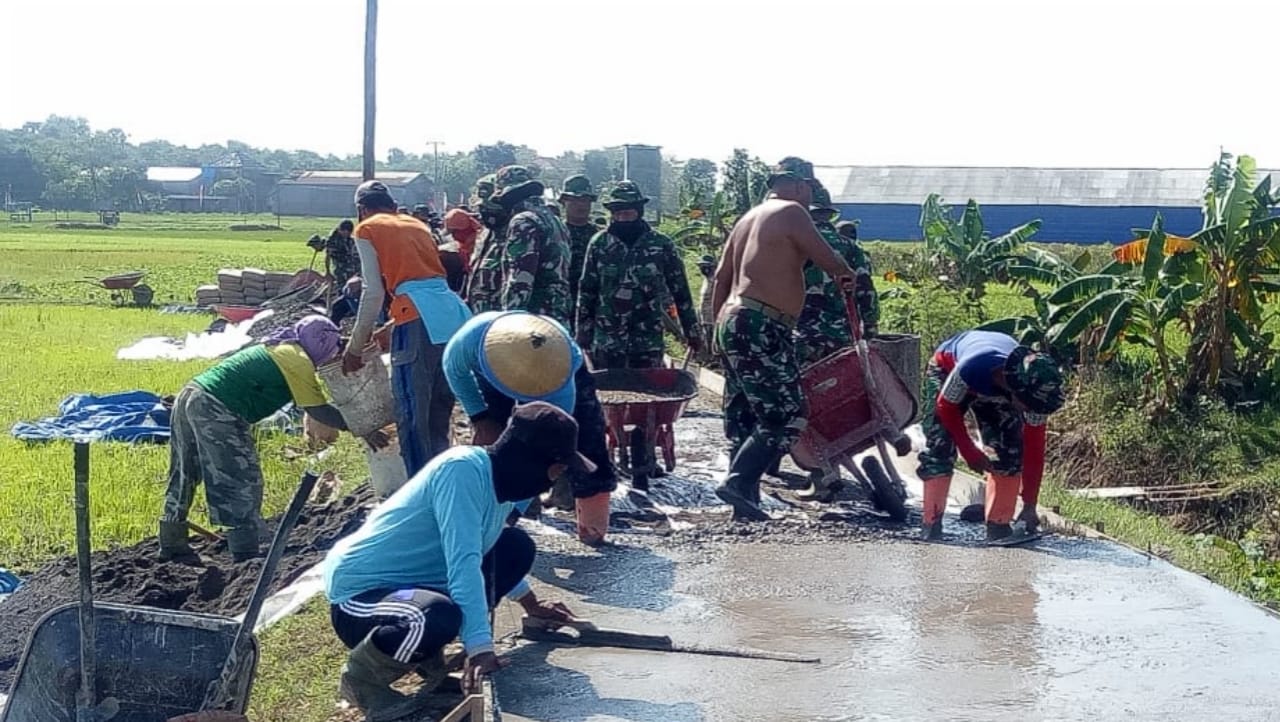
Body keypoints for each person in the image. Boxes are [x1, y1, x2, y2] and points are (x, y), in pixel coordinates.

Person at [323, 402, 587, 720]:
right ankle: (362, 681)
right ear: (528, 459)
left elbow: (485, 552)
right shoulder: (462, 471)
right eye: (555, 470)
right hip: (360, 594)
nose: (549, 484)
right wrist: (480, 648)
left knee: (515, 548)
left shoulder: (501, 483)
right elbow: (463, 564)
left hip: (412, 586)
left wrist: (531, 604)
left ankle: (426, 656)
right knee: (434, 616)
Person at [159, 316, 381, 561]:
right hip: (218, 407)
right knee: (240, 476)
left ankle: (172, 541)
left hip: (192, 393)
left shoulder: (285, 346)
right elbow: (318, 410)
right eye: (332, 348)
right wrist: (363, 428)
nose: (333, 355)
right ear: (320, 345)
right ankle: (245, 550)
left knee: (184, 470)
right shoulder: (298, 361)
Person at [709, 157, 855, 521]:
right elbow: (826, 257)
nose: (810, 196)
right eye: (809, 189)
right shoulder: (791, 212)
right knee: (788, 414)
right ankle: (740, 483)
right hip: (760, 322)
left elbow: (720, 278)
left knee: (745, 413)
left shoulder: (747, 219)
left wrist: (714, 329)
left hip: (732, 320)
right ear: (802, 185)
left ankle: (745, 505)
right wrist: (845, 272)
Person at [443, 311, 617, 543]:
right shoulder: (471, 340)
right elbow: (454, 371)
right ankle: (491, 511)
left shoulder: (561, 381)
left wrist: (512, 514)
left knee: (587, 443)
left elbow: (549, 452)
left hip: (557, 375)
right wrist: (480, 417)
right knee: (500, 446)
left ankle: (592, 529)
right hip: (494, 374)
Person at [342, 181, 473, 477]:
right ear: (390, 204)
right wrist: (392, 324)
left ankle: (421, 493)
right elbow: (425, 280)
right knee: (440, 411)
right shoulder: (417, 224)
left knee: (413, 413)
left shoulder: (367, 228)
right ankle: (443, 483)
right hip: (452, 314)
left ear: (362, 209)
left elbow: (373, 292)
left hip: (417, 317)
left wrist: (354, 348)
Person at [917, 330, 1065, 541]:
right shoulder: (974, 366)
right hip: (946, 371)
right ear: (1016, 391)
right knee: (939, 444)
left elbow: (1034, 451)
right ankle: (931, 524)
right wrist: (969, 452)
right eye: (1028, 405)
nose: (1030, 410)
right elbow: (946, 407)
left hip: (997, 386)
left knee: (1009, 450)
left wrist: (1030, 505)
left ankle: (998, 526)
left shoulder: (1034, 395)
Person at [794, 184, 879, 366]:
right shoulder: (851, 247)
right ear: (830, 214)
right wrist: (870, 327)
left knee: (804, 387)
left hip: (802, 332)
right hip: (841, 334)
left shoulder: (793, 245)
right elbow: (866, 290)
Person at [489, 165, 574, 326]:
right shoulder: (555, 221)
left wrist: (509, 321)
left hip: (533, 322)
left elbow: (521, 279)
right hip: (558, 317)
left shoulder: (523, 221)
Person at [559, 175, 599, 327]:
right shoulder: (555, 234)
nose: (581, 205)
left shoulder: (600, 237)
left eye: (585, 200)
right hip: (562, 304)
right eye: (575, 200)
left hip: (592, 306)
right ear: (564, 202)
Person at [695, 254, 717, 362]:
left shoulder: (717, 280)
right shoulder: (706, 280)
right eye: (701, 266)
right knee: (706, 340)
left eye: (705, 266)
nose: (702, 268)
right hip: (705, 318)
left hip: (713, 318)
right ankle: (710, 360)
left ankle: (716, 362)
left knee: (714, 343)